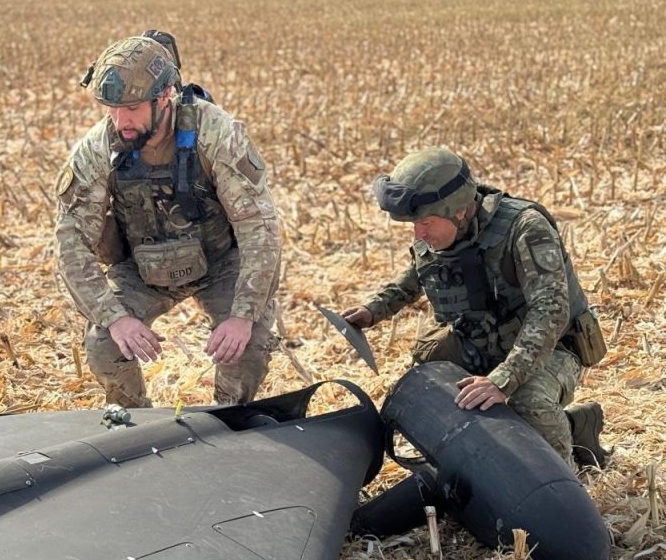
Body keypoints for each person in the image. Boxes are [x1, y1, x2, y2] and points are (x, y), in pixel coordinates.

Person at [342, 147, 608, 468]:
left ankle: (565, 468)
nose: (418, 233)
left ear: (458, 211)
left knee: (528, 403)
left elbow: (550, 312)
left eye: (425, 222)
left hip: (551, 348)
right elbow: (415, 277)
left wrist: (503, 380)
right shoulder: (437, 233)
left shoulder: (525, 228)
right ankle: (497, 448)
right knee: (428, 378)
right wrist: (373, 310)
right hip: (483, 340)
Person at [55, 32, 281, 408]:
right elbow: (70, 242)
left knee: (248, 346)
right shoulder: (98, 148)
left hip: (222, 260)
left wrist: (242, 315)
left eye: (131, 108)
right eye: (111, 109)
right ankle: (133, 428)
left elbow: (259, 227)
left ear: (164, 97)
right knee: (104, 345)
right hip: (144, 266)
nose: (119, 120)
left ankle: (228, 422)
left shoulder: (216, 133)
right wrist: (115, 318)